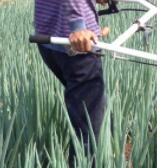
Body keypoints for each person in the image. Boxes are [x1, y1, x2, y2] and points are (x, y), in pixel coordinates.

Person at [35, 0, 111, 158]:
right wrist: (78, 27)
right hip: (77, 45)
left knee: (93, 107)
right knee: (89, 128)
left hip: (49, 38)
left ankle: (109, 154)